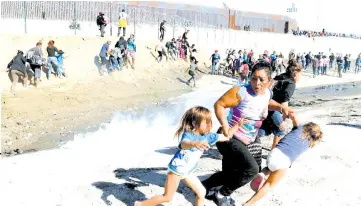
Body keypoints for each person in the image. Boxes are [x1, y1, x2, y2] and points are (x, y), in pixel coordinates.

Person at [201, 61, 293, 206]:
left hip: (250, 138)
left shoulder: (267, 93)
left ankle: (203, 187)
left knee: (234, 173)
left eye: (261, 80)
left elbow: (265, 103)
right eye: (254, 78)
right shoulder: (241, 91)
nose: (257, 83)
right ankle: (221, 194)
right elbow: (219, 104)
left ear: (269, 81)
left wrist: (281, 107)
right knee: (251, 169)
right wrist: (225, 125)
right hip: (230, 137)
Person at [134, 106, 249, 206]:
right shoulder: (188, 134)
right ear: (195, 123)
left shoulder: (209, 136)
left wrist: (237, 125)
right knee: (167, 197)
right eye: (206, 122)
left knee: (201, 192)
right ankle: (140, 204)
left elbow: (226, 137)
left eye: (210, 122)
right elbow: (184, 144)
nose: (209, 125)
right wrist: (194, 143)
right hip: (176, 170)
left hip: (188, 171)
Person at [243, 116, 323, 206]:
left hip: (274, 153)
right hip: (284, 161)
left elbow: (293, 116)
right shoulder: (309, 144)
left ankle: (261, 174)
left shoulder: (299, 127)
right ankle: (249, 204)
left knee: (271, 167)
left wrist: (284, 119)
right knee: (269, 185)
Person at [258, 59, 303, 149]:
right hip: (273, 107)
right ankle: (273, 150)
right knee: (280, 129)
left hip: (263, 103)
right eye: (300, 74)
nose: (300, 77)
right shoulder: (291, 84)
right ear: (295, 74)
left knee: (262, 129)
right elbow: (284, 103)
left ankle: (250, 140)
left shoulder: (281, 76)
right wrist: (283, 121)